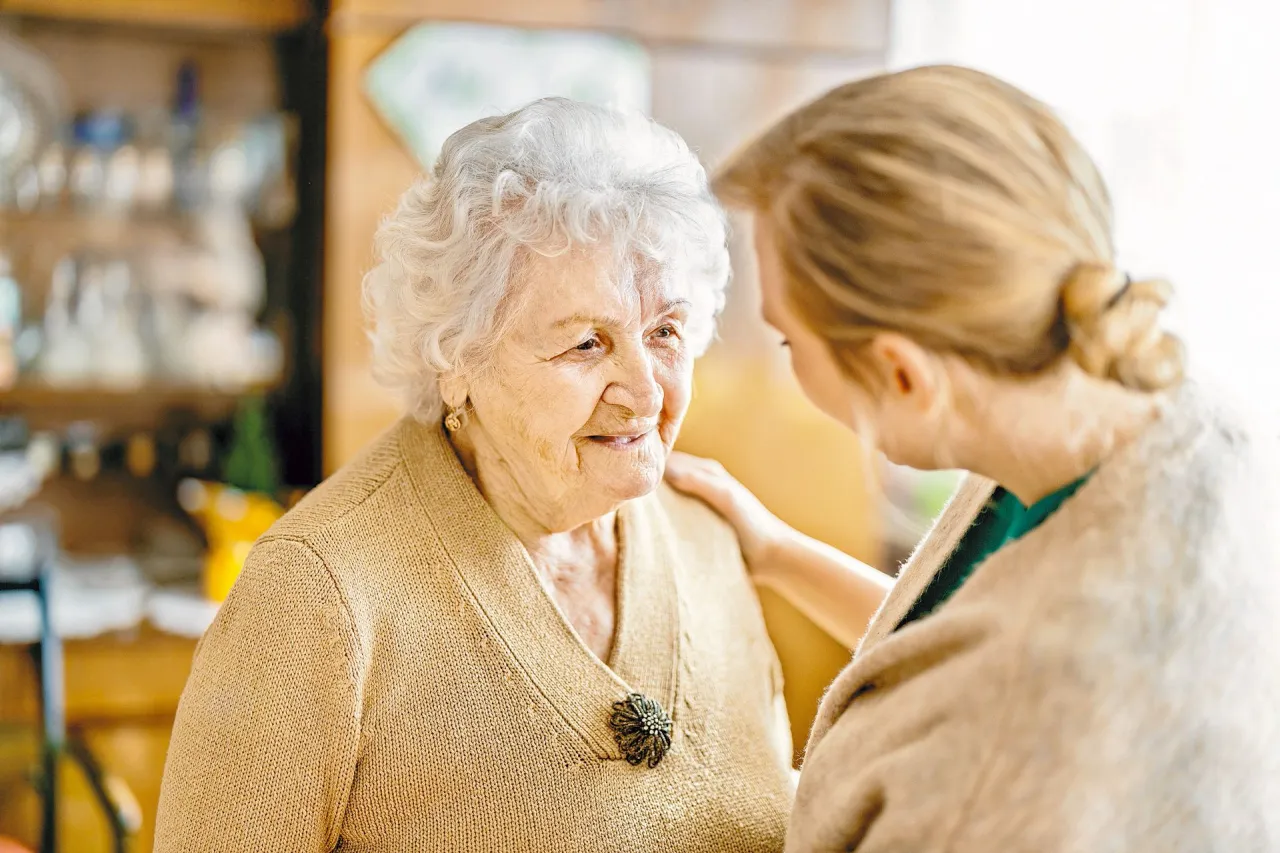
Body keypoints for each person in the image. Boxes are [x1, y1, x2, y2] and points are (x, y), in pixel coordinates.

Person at [154, 98, 795, 852]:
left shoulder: (710, 537)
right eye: (587, 344)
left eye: (665, 332)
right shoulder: (316, 596)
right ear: (457, 359)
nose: (647, 393)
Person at [666, 65, 1280, 851]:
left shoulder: (1018, 747)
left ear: (901, 374)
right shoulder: (1137, 410)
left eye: (788, 339)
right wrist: (778, 551)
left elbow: (993, 700)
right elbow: (954, 650)